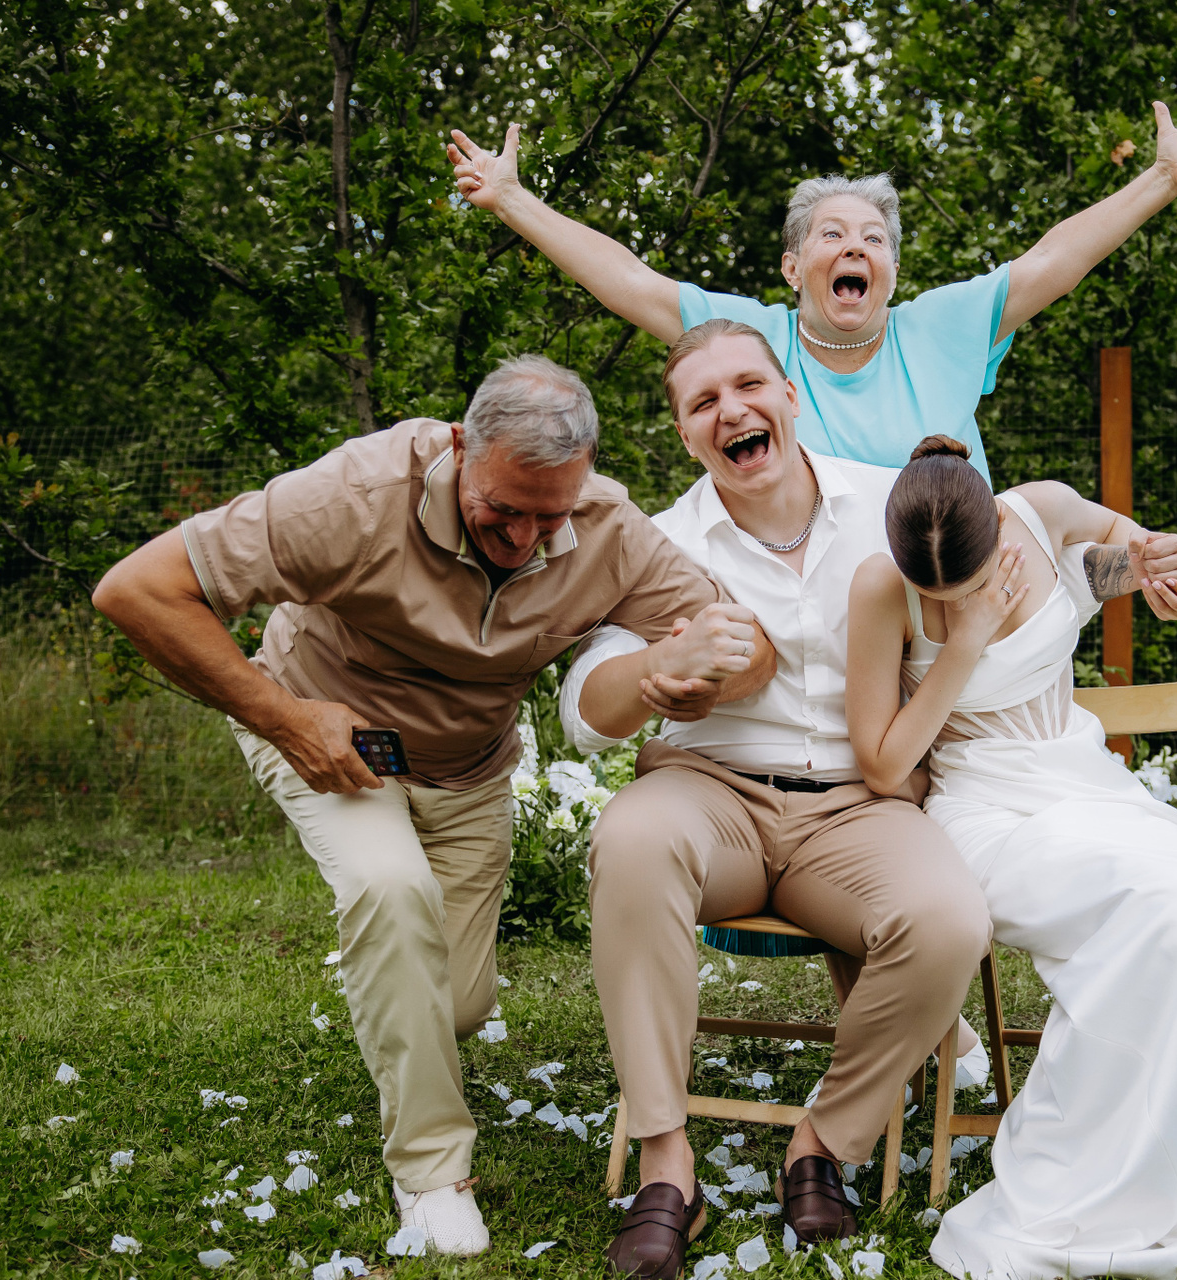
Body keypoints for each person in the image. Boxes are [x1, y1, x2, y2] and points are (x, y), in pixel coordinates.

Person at [557, 321, 1177, 1280]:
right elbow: (583, 706)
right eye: (703, 402)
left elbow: (1030, 568)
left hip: (863, 806)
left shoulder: (893, 505)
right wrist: (654, 670)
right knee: (632, 840)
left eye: (748, 386)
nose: (731, 411)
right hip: (710, 793)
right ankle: (666, 1163)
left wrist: (1133, 565)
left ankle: (824, 1140)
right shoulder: (658, 544)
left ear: (788, 395)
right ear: (685, 433)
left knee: (948, 920)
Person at [91, 354, 773, 1257]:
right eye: (503, 509)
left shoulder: (607, 526)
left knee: (456, 1004)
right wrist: (283, 718)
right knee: (390, 889)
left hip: (471, 770)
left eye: (550, 517)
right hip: (330, 739)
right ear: (460, 447)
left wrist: (704, 675)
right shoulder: (356, 496)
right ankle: (431, 1176)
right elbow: (135, 589)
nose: (524, 538)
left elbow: (749, 646)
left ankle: (396, 978)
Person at [844, 437, 1177, 1280]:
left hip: (1086, 781)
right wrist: (963, 644)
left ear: (995, 529)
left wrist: (1158, 571)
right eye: (937, 596)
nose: (951, 603)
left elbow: (1126, 553)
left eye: (967, 586)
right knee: (1155, 915)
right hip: (984, 809)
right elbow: (886, 767)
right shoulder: (879, 589)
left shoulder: (1042, 511)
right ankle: (1090, 1174)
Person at [445, 101, 1177, 478]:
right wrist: (512, 200)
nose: (855, 249)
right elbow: (627, 279)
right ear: (792, 267)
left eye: (874, 240)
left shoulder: (941, 327)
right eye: (832, 235)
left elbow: (1056, 260)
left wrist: (1162, 178)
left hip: (954, 594)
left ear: (893, 273)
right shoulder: (747, 344)